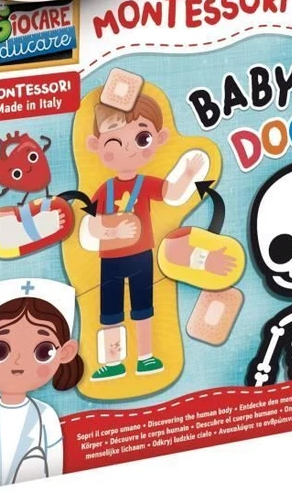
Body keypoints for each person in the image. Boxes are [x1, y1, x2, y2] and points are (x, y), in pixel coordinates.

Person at [85, 93, 205, 381]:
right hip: (110, 260)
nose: (128, 149)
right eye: (114, 142)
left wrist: (188, 173)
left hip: (141, 257)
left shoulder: (146, 183)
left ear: (159, 139)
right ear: (96, 145)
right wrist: (113, 231)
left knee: (143, 309)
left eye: (141, 139)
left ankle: (145, 357)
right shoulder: (104, 189)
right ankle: (113, 361)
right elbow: (91, 227)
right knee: (110, 312)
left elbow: (173, 194)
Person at [0, 278, 83, 488]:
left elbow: (56, 468)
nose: (18, 362)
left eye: (43, 352)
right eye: (0, 350)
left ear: (65, 353)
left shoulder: (46, 416)